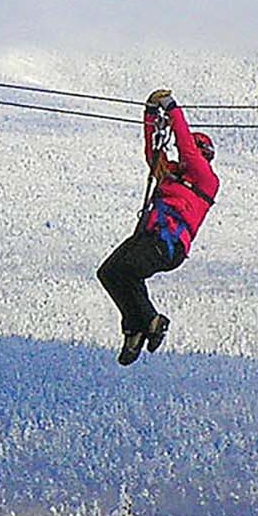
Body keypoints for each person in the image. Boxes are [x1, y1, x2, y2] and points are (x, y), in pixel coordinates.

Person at [98, 88, 218, 365]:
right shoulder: (171, 175)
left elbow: (186, 147)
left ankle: (151, 320)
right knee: (109, 273)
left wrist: (172, 109)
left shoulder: (205, 180)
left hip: (167, 244)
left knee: (126, 272)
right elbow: (152, 151)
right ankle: (134, 329)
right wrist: (150, 114)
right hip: (149, 238)